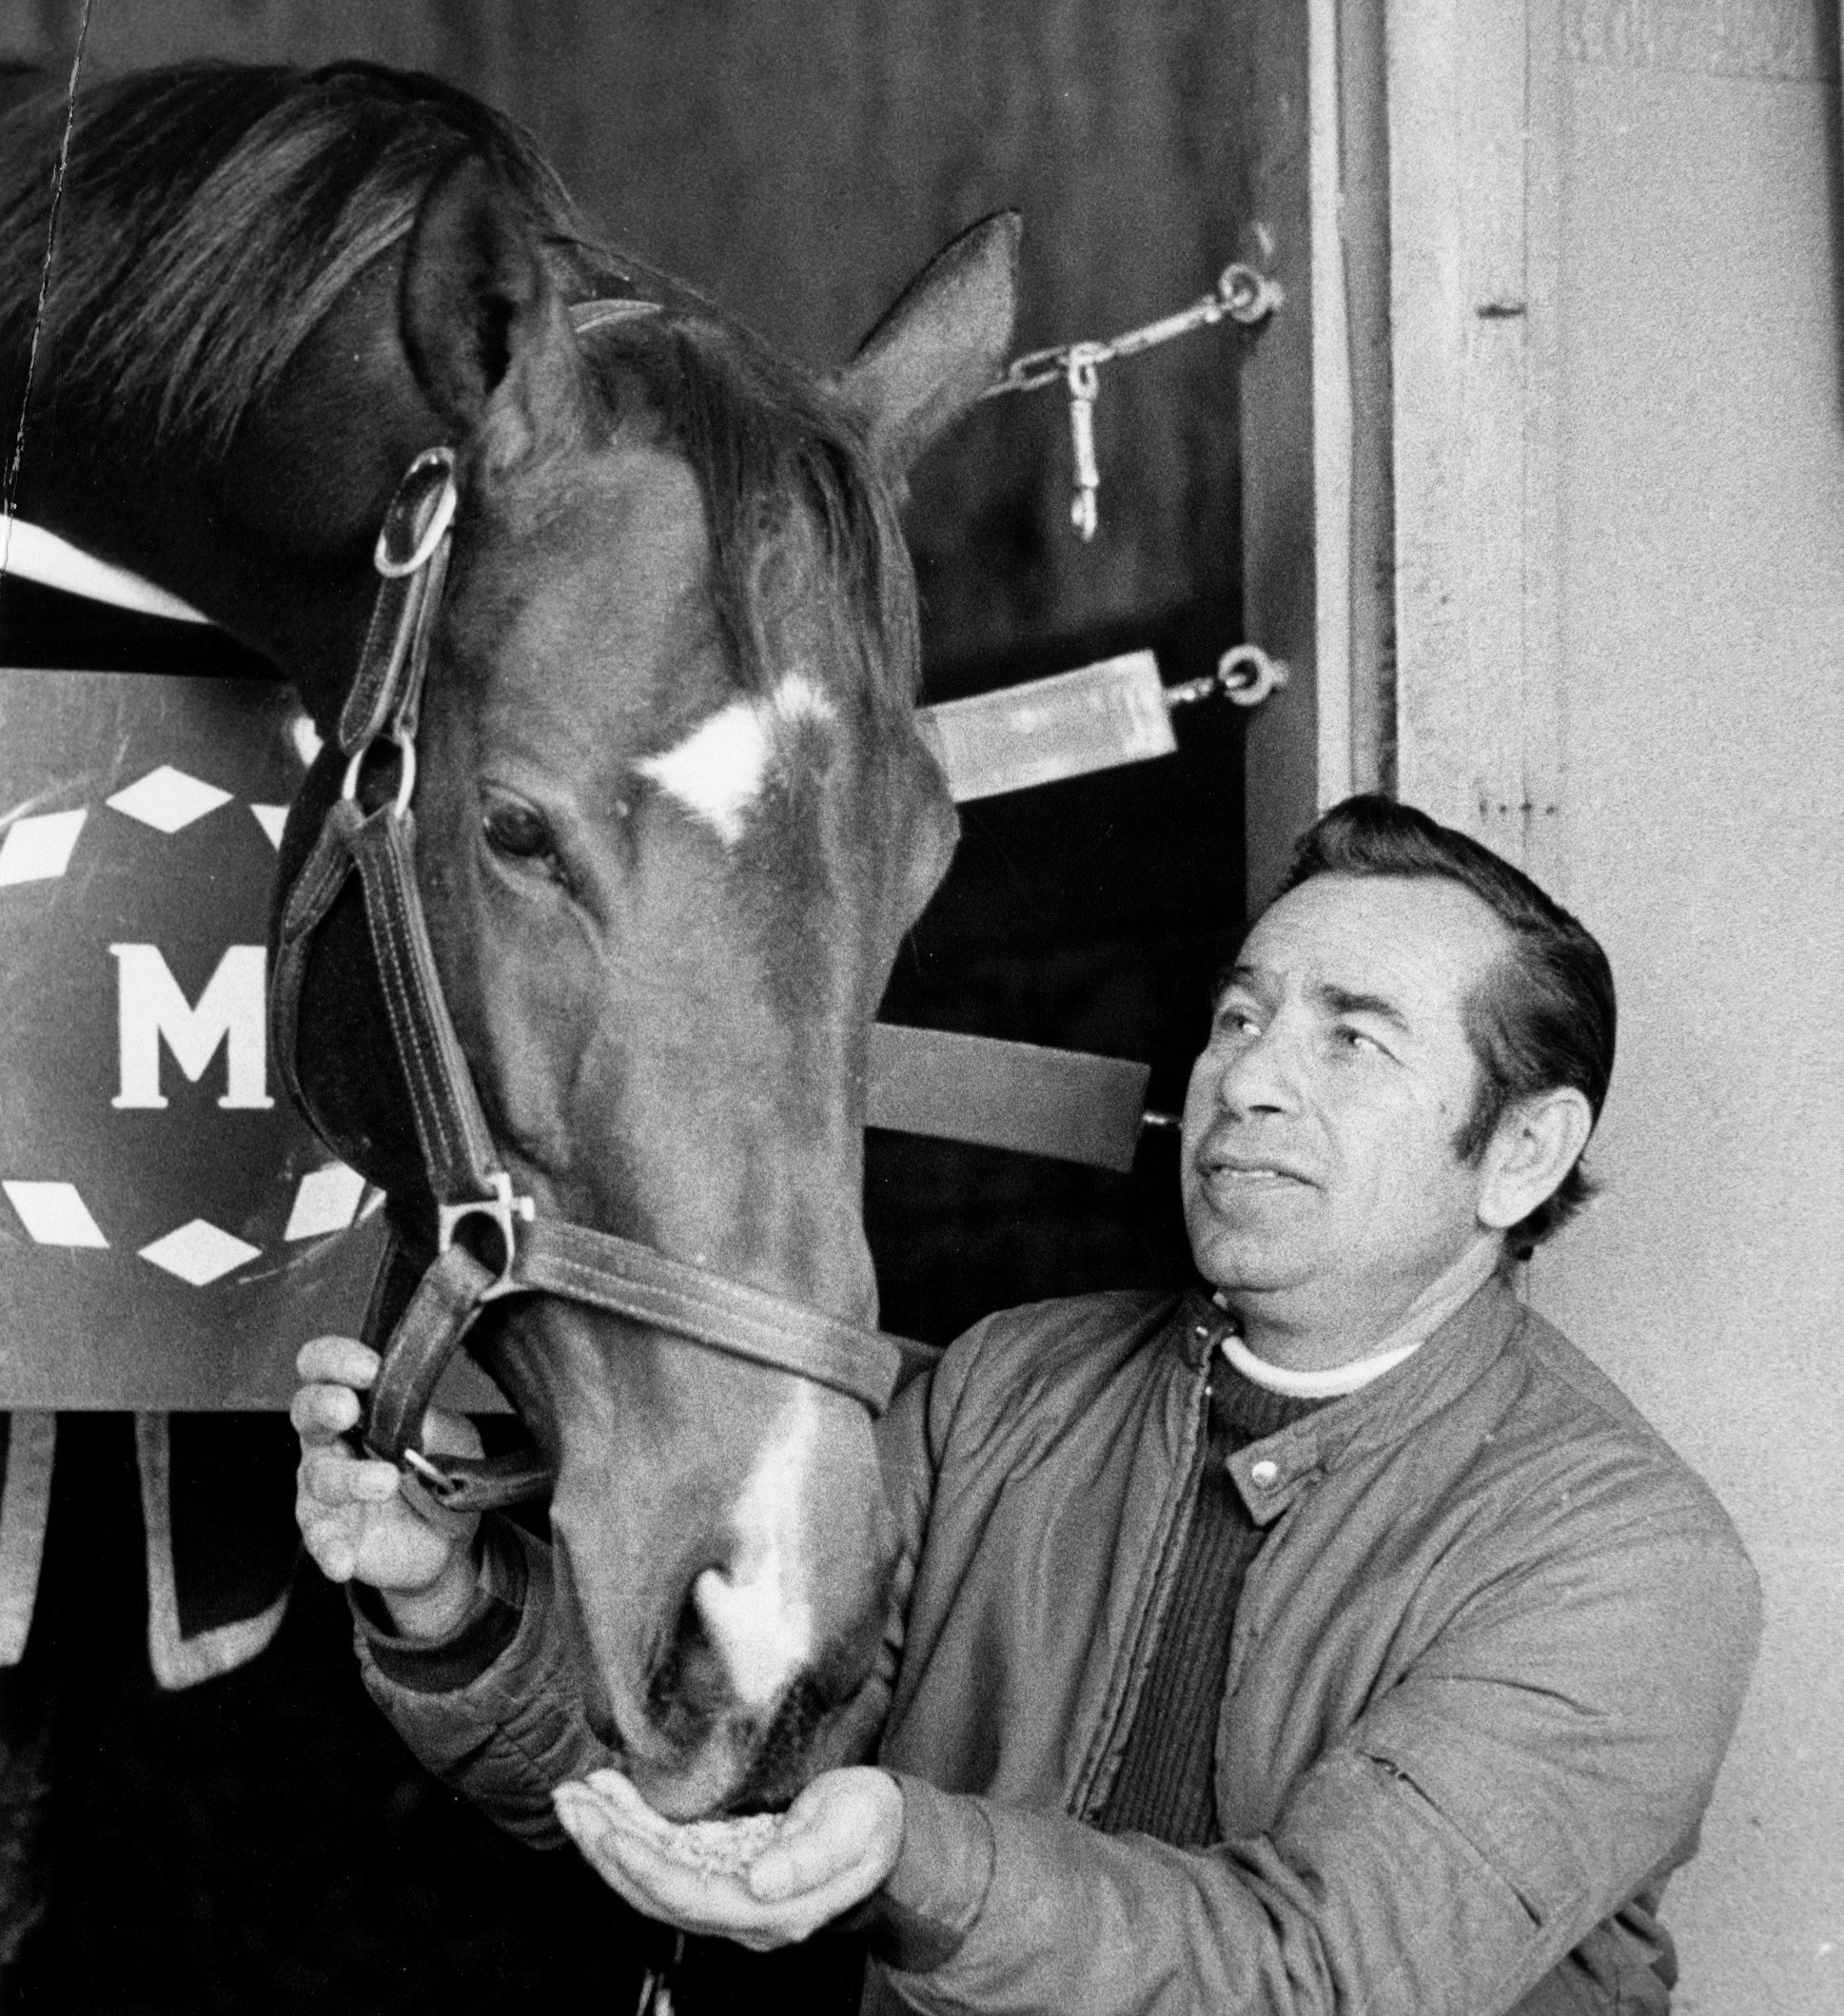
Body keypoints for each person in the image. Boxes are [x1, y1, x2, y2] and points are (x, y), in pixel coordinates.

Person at [294, 794, 1760, 2016]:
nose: (1245, 1079)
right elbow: (709, 1773)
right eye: (1238, 1019)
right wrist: (455, 1607)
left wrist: (915, 1854)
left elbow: (1319, 1975)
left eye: (1350, 1040)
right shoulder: (1005, 1391)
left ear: (1519, 1152)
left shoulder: (1623, 1563)